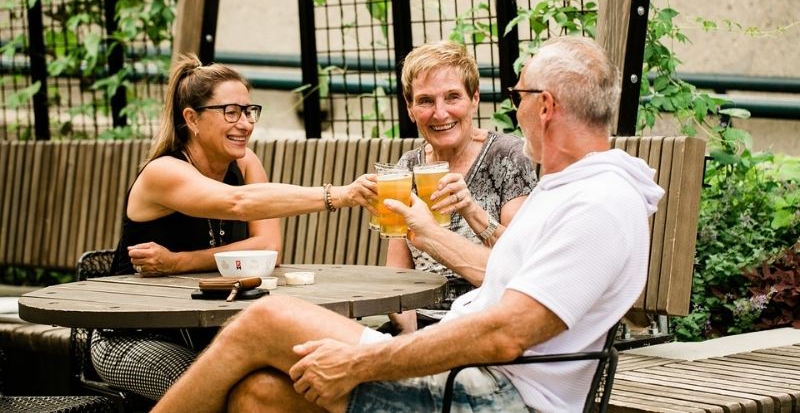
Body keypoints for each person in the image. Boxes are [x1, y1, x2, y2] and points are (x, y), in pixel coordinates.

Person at [152, 36, 665, 413]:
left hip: (504, 395)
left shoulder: (598, 202)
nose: (517, 108)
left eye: (520, 96)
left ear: (545, 105)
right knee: (258, 397)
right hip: (467, 366)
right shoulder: (570, 189)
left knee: (267, 319)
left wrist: (360, 362)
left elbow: (506, 335)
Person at [90, 53, 375, 401]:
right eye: (231, 112)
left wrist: (179, 262)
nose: (245, 123)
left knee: (296, 379)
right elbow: (238, 204)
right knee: (232, 393)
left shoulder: (246, 162)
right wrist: (339, 195)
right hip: (132, 336)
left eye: (249, 111)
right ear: (192, 119)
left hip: (213, 331)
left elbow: (268, 249)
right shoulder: (164, 172)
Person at [383, 41, 535, 334]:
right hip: (423, 325)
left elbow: (523, 263)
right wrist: (407, 338)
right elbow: (398, 274)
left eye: (453, 97)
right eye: (426, 101)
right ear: (410, 109)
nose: (440, 114)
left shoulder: (506, 156)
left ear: (474, 98)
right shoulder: (407, 166)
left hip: (485, 321)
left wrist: (471, 209)